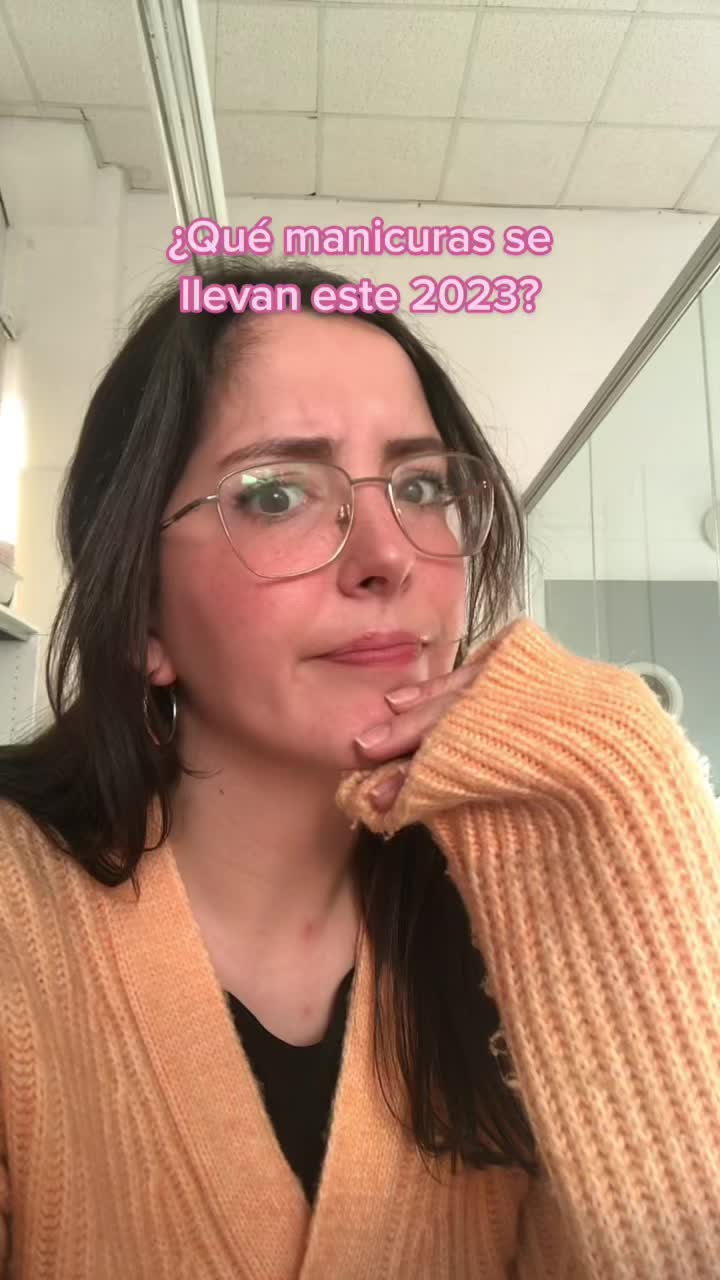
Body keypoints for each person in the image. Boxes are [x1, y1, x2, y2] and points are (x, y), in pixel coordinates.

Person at [0, 261, 718, 1280]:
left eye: (421, 486)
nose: (389, 554)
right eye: (277, 493)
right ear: (141, 615)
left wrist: (633, 787)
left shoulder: (518, 901)